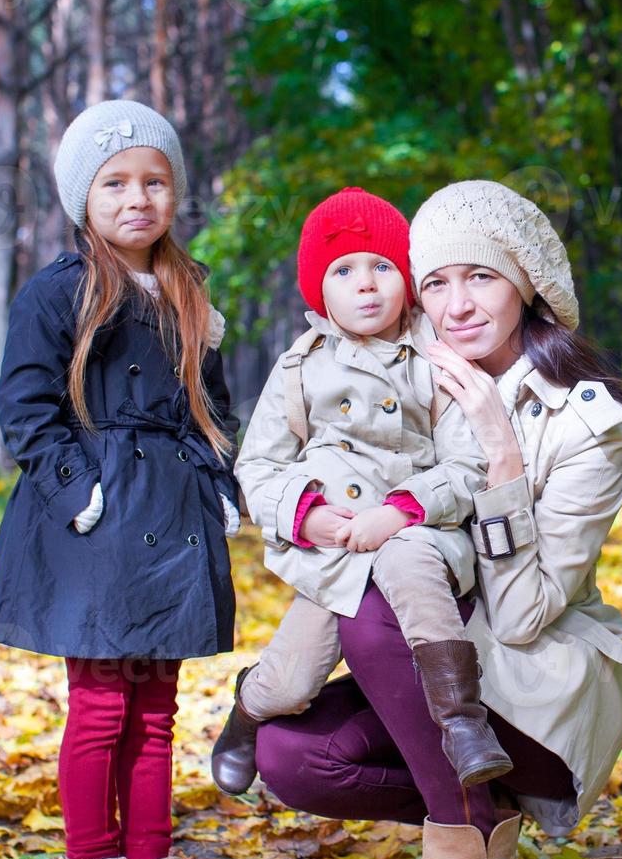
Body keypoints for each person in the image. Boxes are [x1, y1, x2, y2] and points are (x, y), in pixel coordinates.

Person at [255, 180, 622, 859]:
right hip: (437, 672)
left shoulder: (589, 422)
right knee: (290, 756)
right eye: (436, 281)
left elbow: (525, 613)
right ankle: (481, 819)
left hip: (532, 688)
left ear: (527, 288)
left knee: (384, 586)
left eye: (482, 277)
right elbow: (289, 469)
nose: (458, 304)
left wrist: (500, 454)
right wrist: (315, 513)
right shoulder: (398, 377)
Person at [0, 99, 236, 859]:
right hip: (93, 523)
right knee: (100, 706)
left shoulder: (188, 292)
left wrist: (221, 483)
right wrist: (75, 487)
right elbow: (25, 403)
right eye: (116, 183)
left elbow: (213, 407)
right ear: (84, 198)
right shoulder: (60, 289)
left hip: (171, 514)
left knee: (159, 706)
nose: (138, 198)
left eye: (155, 181)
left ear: (174, 193)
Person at [214, 186, 510, 794]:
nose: (367, 284)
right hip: (336, 551)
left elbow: (469, 461)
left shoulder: (434, 356)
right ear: (318, 290)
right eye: (344, 270)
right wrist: (306, 516)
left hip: (415, 533)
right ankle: (248, 709)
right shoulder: (300, 367)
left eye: (382, 267)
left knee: (417, 579)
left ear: (405, 277)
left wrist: (404, 510)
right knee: (291, 682)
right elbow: (259, 466)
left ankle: (462, 722)